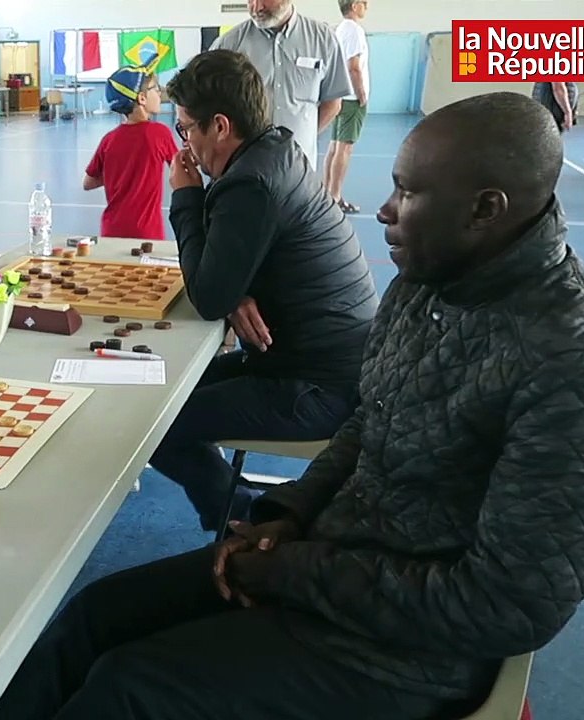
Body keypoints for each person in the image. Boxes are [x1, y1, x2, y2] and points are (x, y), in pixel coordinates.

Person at [0, 90, 584, 720]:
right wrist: (290, 513)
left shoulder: (583, 371)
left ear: (486, 208)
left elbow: (503, 606)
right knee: (90, 619)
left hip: (405, 653)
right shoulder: (431, 283)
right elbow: (371, 419)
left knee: (129, 689)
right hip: (331, 562)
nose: (385, 210)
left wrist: (292, 571)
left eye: (408, 192)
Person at [151, 50, 378, 530]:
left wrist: (186, 196)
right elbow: (225, 277)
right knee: (164, 394)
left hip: (318, 387)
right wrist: (235, 287)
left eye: (186, 128)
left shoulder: (248, 184)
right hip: (325, 362)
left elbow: (207, 297)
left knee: (153, 423)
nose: (185, 145)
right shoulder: (276, 150)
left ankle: (241, 513)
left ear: (220, 126)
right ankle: (237, 501)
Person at [210, 0, 352, 170]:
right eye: (250, 0)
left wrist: (299, 139)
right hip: (245, 170)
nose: (257, 8)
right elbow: (208, 106)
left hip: (299, 168)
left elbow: (333, 103)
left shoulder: (323, 39)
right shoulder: (228, 45)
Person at [82, 66, 178, 240]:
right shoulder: (160, 134)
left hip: (111, 230)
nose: (159, 92)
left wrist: (121, 173)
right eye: (155, 88)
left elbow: (88, 183)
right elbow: (180, 172)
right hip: (147, 232)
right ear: (141, 98)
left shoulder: (108, 140)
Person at [324, 0, 370, 213]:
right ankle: (335, 196)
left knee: (334, 145)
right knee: (345, 147)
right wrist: (361, 94)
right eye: (363, 3)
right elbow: (354, 67)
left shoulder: (339, 29)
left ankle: (327, 193)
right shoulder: (354, 31)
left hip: (341, 95)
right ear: (354, 6)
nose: (366, 7)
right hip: (351, 98)